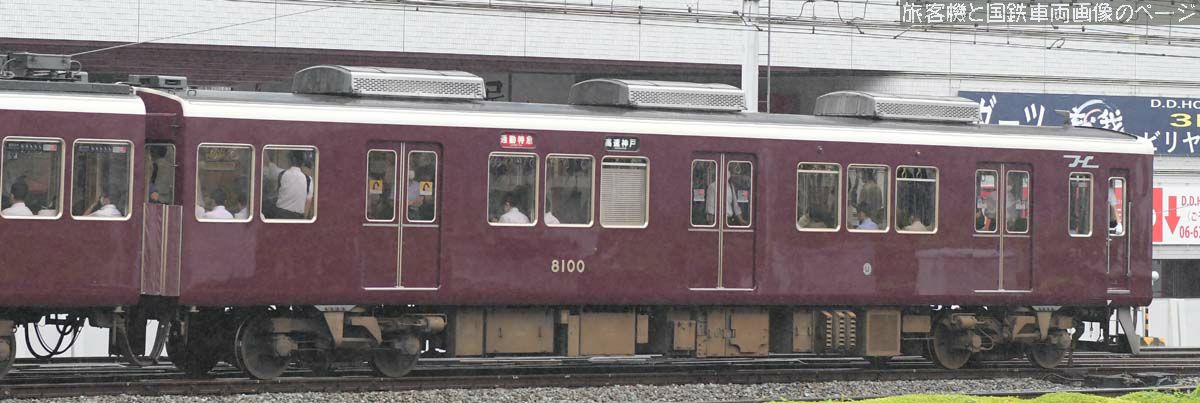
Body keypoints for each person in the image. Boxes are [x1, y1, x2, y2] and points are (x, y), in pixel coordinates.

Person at [273, 150, 313, 219]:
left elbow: (277, 192)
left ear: (290, 160)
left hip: (280, 215)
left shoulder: (281, 174)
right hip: (297, 217)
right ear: (303, 162)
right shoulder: (309, 179)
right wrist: (304, 219)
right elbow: (308, 202)